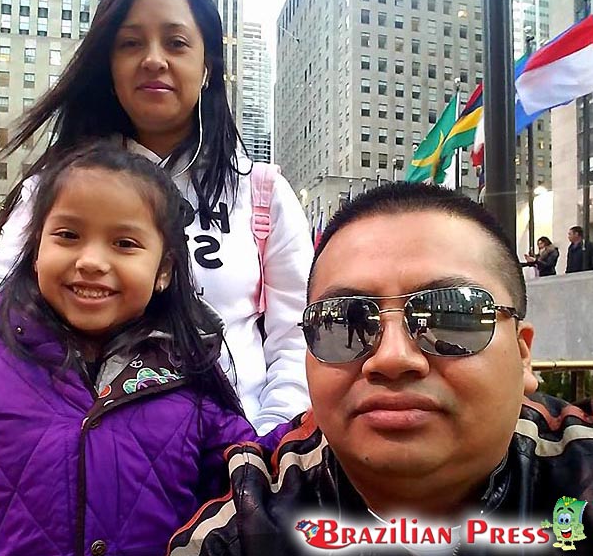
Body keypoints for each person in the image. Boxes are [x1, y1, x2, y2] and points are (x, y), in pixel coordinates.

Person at [0, 0, 312, 434]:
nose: (154, 59)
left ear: (207, 67)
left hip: (235, 451)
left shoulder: (262, 193)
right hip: (89, 451)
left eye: (176, 42)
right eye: (130, 43)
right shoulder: (53, 188)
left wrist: (267, 441)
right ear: (110, 69)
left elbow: (297, 337)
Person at [168, 183, 593, 556]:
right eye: (342, 321)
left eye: (452, 315)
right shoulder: (243, 528)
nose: (391, 358)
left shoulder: (580, 477)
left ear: (522, 354)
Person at [0, 143, 290, 556]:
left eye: (124, 243)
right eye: (68, 235)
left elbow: (258, 476)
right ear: (35, 251)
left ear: (163, 271)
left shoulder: (192, 381)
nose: (91, 261)